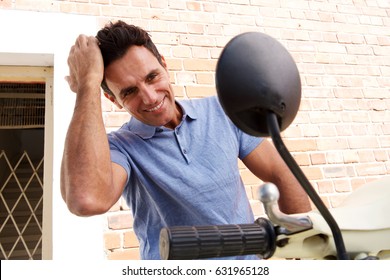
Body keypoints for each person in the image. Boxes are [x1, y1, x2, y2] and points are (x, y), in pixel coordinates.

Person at [61, 20, 311, 260]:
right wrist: (87, 85)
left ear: (165, 65)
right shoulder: (120, 147)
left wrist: (301, 248)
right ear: (113, 100)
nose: (149, 98)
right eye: (129, 91)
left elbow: (282, 174)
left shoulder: (221, 112)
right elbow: (87, 199)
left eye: (152, 77)